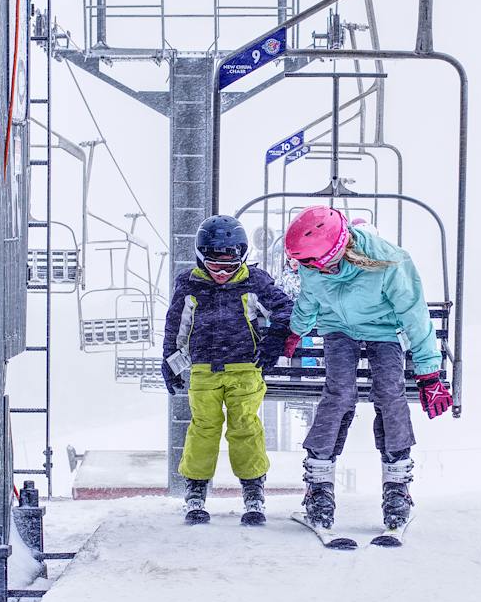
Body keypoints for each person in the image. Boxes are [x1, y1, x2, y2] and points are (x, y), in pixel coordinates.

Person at [284, 206, 452, 532]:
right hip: (338, 329)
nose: (302, 269)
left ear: (332, 254)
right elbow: (309, 299)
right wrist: (296, 330)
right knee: (338, 394)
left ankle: (397, 486)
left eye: (308, 264)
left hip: (384, 330)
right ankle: (319, 485)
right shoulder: (311, 266)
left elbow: (414, 315)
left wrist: (429, 373)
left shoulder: (389, 262)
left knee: (390, 394)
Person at [163, 214, 291, 525]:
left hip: (245, 366)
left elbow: (285, 308)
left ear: (242, 258)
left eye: (230, 267)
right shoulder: (190, 285)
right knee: (203, 427)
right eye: (214, 266)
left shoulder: (254, 282)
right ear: (200, 257)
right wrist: (170, 360)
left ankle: (253, 489)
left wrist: (274, 339)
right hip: (205, 367)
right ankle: (195, 489)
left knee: (245, 426)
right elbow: (176, 326)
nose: (222, 273)